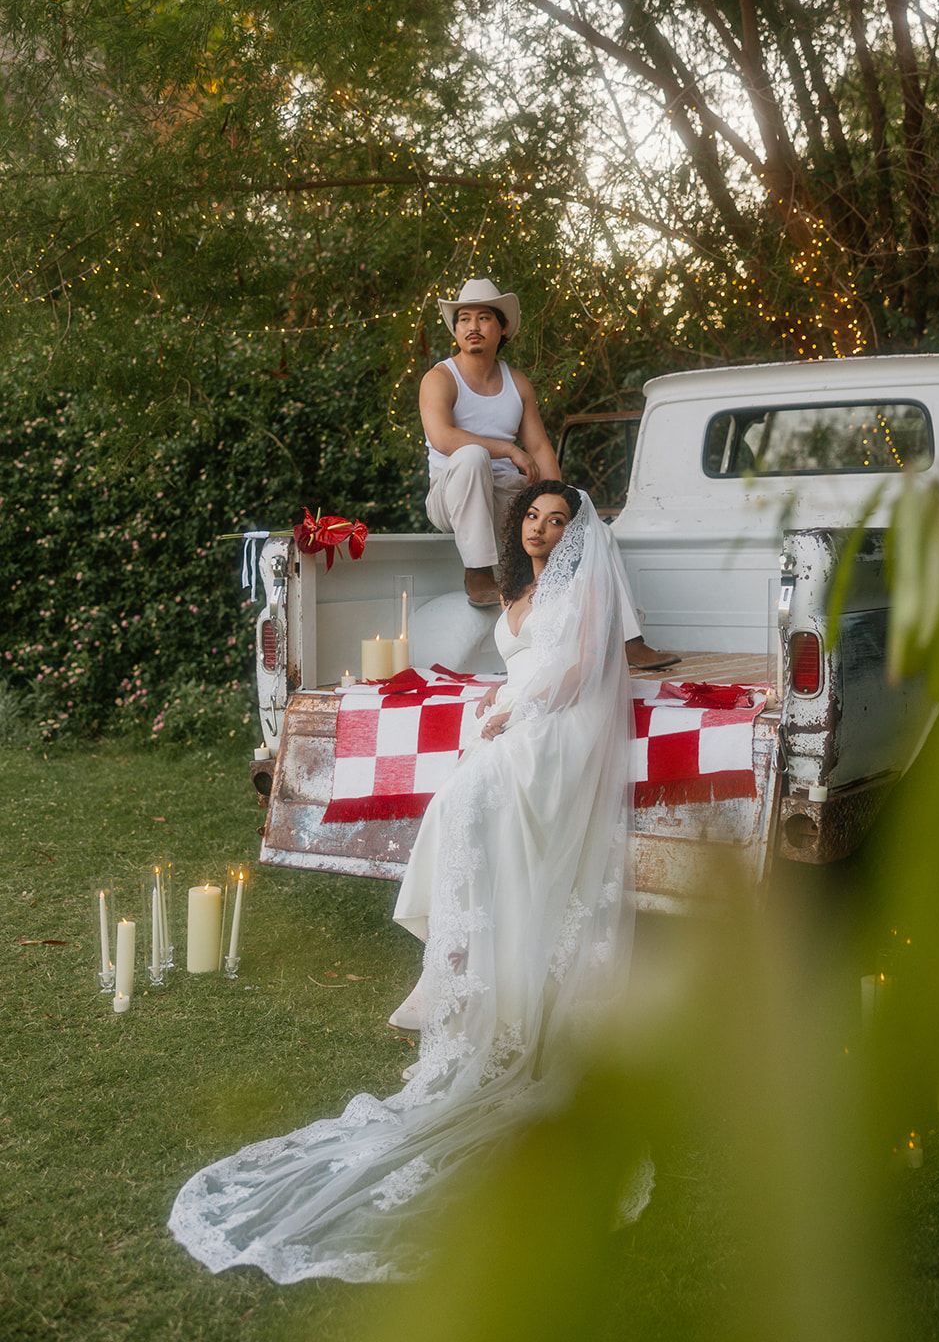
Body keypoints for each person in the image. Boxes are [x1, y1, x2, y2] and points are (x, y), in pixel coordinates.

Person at [168, 481, 644, 1283]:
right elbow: (527, 662)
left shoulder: (588, 584)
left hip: (558, 740)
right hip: (523, 721)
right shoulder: (523, 586)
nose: (542, 529)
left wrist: (506, 709)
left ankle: (474, 983)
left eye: (557, 520)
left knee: (467, 798)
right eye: (532, 516)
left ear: (576, 533)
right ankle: (462, 975)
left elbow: (575, 674)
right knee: (460, 811)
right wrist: (500, 697)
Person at [421, 276, 678, 670]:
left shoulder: (516, 382)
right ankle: (478, 574)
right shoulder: (440, 378)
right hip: (453, 494)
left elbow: (539, 447)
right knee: (472, 456)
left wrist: (561, 504)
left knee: (592, 524)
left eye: (483, 318)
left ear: (501, 327)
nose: (472, 326)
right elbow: (442, 438)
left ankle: (629, 640)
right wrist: (508, 449)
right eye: (464, 319)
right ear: (455, 329)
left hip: (506, 495)